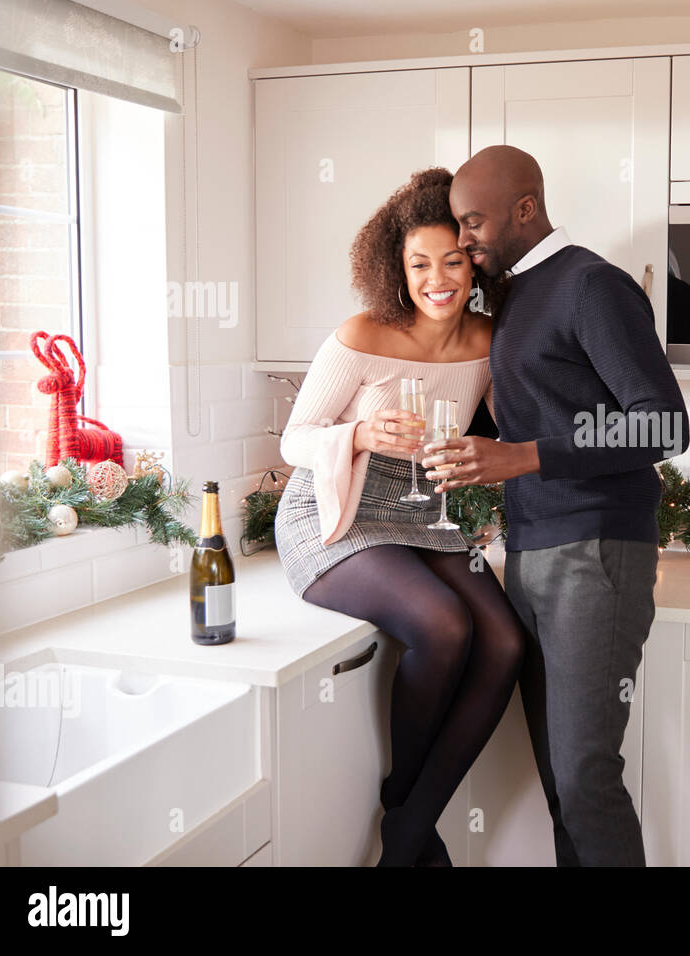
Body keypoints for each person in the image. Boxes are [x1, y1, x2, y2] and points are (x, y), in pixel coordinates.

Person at [423, 145, 690, 866]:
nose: (464, 237)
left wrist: (524, 454)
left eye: (472, 220)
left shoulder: (589, 285)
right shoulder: (513, 297)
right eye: (455, 222)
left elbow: (663, 423)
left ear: (525, 208)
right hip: (533, 551)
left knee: (584, 777)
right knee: (560, 783)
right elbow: (537, 408)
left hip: (597, 552)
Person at [274, 167, 524, 867]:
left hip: (424, 510)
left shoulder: (486, 339)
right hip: (338, 510)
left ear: (473, 263)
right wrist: (357, 435)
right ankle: (406, 821)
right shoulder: (362, 332)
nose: (437, 279)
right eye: (420, 264)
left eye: (452, 260)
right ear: (398, 266)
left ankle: (412, 821)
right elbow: (296, 440)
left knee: (503, 642)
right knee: (443, 625)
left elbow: (506, 424)